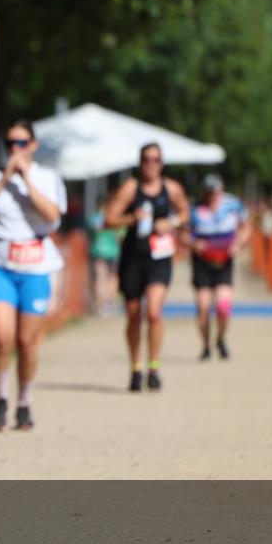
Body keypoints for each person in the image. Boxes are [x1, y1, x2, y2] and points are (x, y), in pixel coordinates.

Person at [0, 119, 67, 430]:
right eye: (11, 143)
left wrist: (27, 181)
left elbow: (53, 217)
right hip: (1, 264)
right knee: (1, 337)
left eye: (22, 143)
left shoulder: (47, 177)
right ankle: (0, 397)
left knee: (26, 341)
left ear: (33, 145)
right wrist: (6, 177)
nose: (16, 149)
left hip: (36, 266)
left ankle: (24, 401)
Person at [104, 143, 189, 392]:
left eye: (155, 159)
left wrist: (171, 222)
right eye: (146, 159)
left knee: (153, 312)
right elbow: (109, 219)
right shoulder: (130, 188)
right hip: (133, 258)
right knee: (133, 315)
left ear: (162, 163)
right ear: (140, 162)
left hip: (159, 259)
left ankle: (154, 367)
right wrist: (132, 218)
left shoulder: (171, 188)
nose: (151, 164)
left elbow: (185, 213)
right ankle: (135, 367)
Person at [183, 174, 250, 360]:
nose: (212, 197)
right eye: (209, 193)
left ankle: (221, 338)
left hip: (224, 261)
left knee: (223, 306)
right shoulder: (194, 208)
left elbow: (246, 227)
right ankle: (205, 346)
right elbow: (182, 233)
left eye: (215, 193)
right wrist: (193, 244)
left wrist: (238, 244)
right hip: (202, 262)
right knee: (203, 307)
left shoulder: (233, 204)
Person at [89, 203, 123, 317]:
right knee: (112, 276)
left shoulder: (94, 218)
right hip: (113, 250)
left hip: (98, 250)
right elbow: (120, 235)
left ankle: (101, 303)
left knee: (100, 277)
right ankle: (110, 301)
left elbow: (91, 232)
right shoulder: (116, 217)